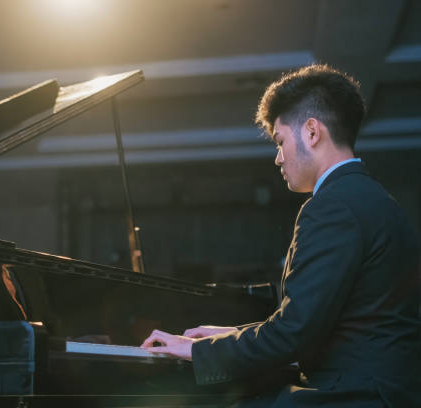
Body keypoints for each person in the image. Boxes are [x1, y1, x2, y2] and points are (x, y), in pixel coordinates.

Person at [141, 64, 421, 407]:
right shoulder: (376, 200)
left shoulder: (331, 207)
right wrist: (228, 335)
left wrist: (199, 350)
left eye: (280, 141)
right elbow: (320, 320)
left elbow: (295, 333)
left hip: (356, 393)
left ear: (312, 132)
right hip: (386, 388)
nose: (278, 158)